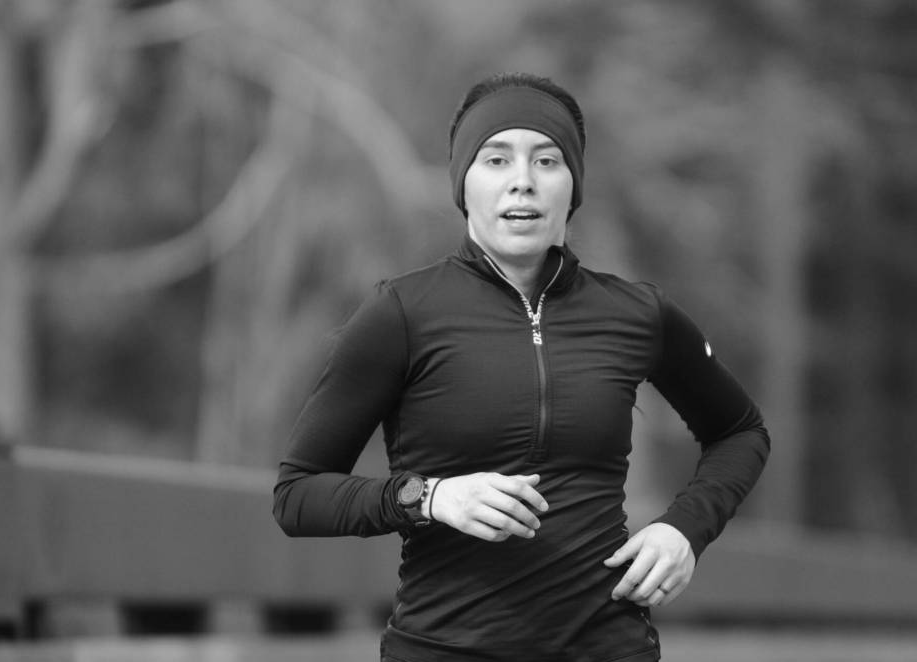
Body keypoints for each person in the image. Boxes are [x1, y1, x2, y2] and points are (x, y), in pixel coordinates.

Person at [273, 72, 770, 662]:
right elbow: (298, 494)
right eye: (496, 159)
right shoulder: (401, 313)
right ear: (464, 184)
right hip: (442, 648)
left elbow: (741, 433)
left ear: (572, 186)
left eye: (547, 161)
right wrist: (428, 497)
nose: (522, 184)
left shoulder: (637, 314)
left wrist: (684, 529)